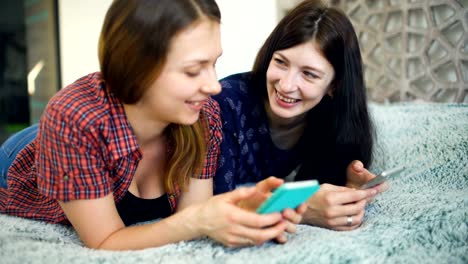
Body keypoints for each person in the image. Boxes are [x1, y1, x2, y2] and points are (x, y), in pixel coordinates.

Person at [0, 0, 305, 250]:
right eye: (192, 71)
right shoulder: (72, 118)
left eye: (213, 64)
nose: (214, 86)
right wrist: (201, 219)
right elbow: (105, 240)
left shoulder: (204, 114)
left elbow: (190, 218)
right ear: (137, 68)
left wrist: (237, 212)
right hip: (22, 158)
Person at [213, 0, 387, 231]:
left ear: (334, 86)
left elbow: (315, 182)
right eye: (281, 62)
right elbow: (207, 208)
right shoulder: (225, 104)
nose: (286, 85)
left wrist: (345, 185)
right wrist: (298, 207)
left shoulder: (330, 117)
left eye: (309, 74)